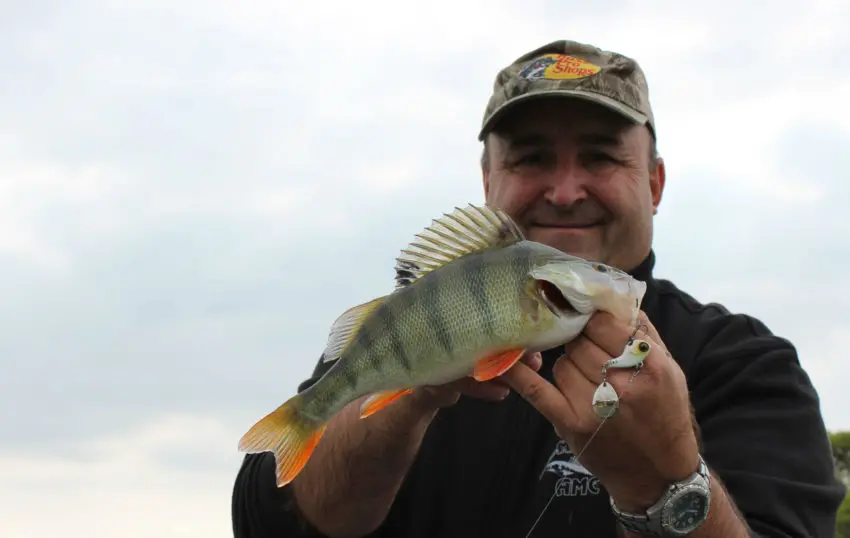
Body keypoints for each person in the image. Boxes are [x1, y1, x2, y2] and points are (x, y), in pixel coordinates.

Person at [231, 39, 845, 537]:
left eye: (602, 157)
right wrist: (407, 395)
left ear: (654, 183)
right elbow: (265, 519)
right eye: (530, 159)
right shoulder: (405, 328)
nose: (566, 190)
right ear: (487, 179)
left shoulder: (746, 366)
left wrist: (666, 483)